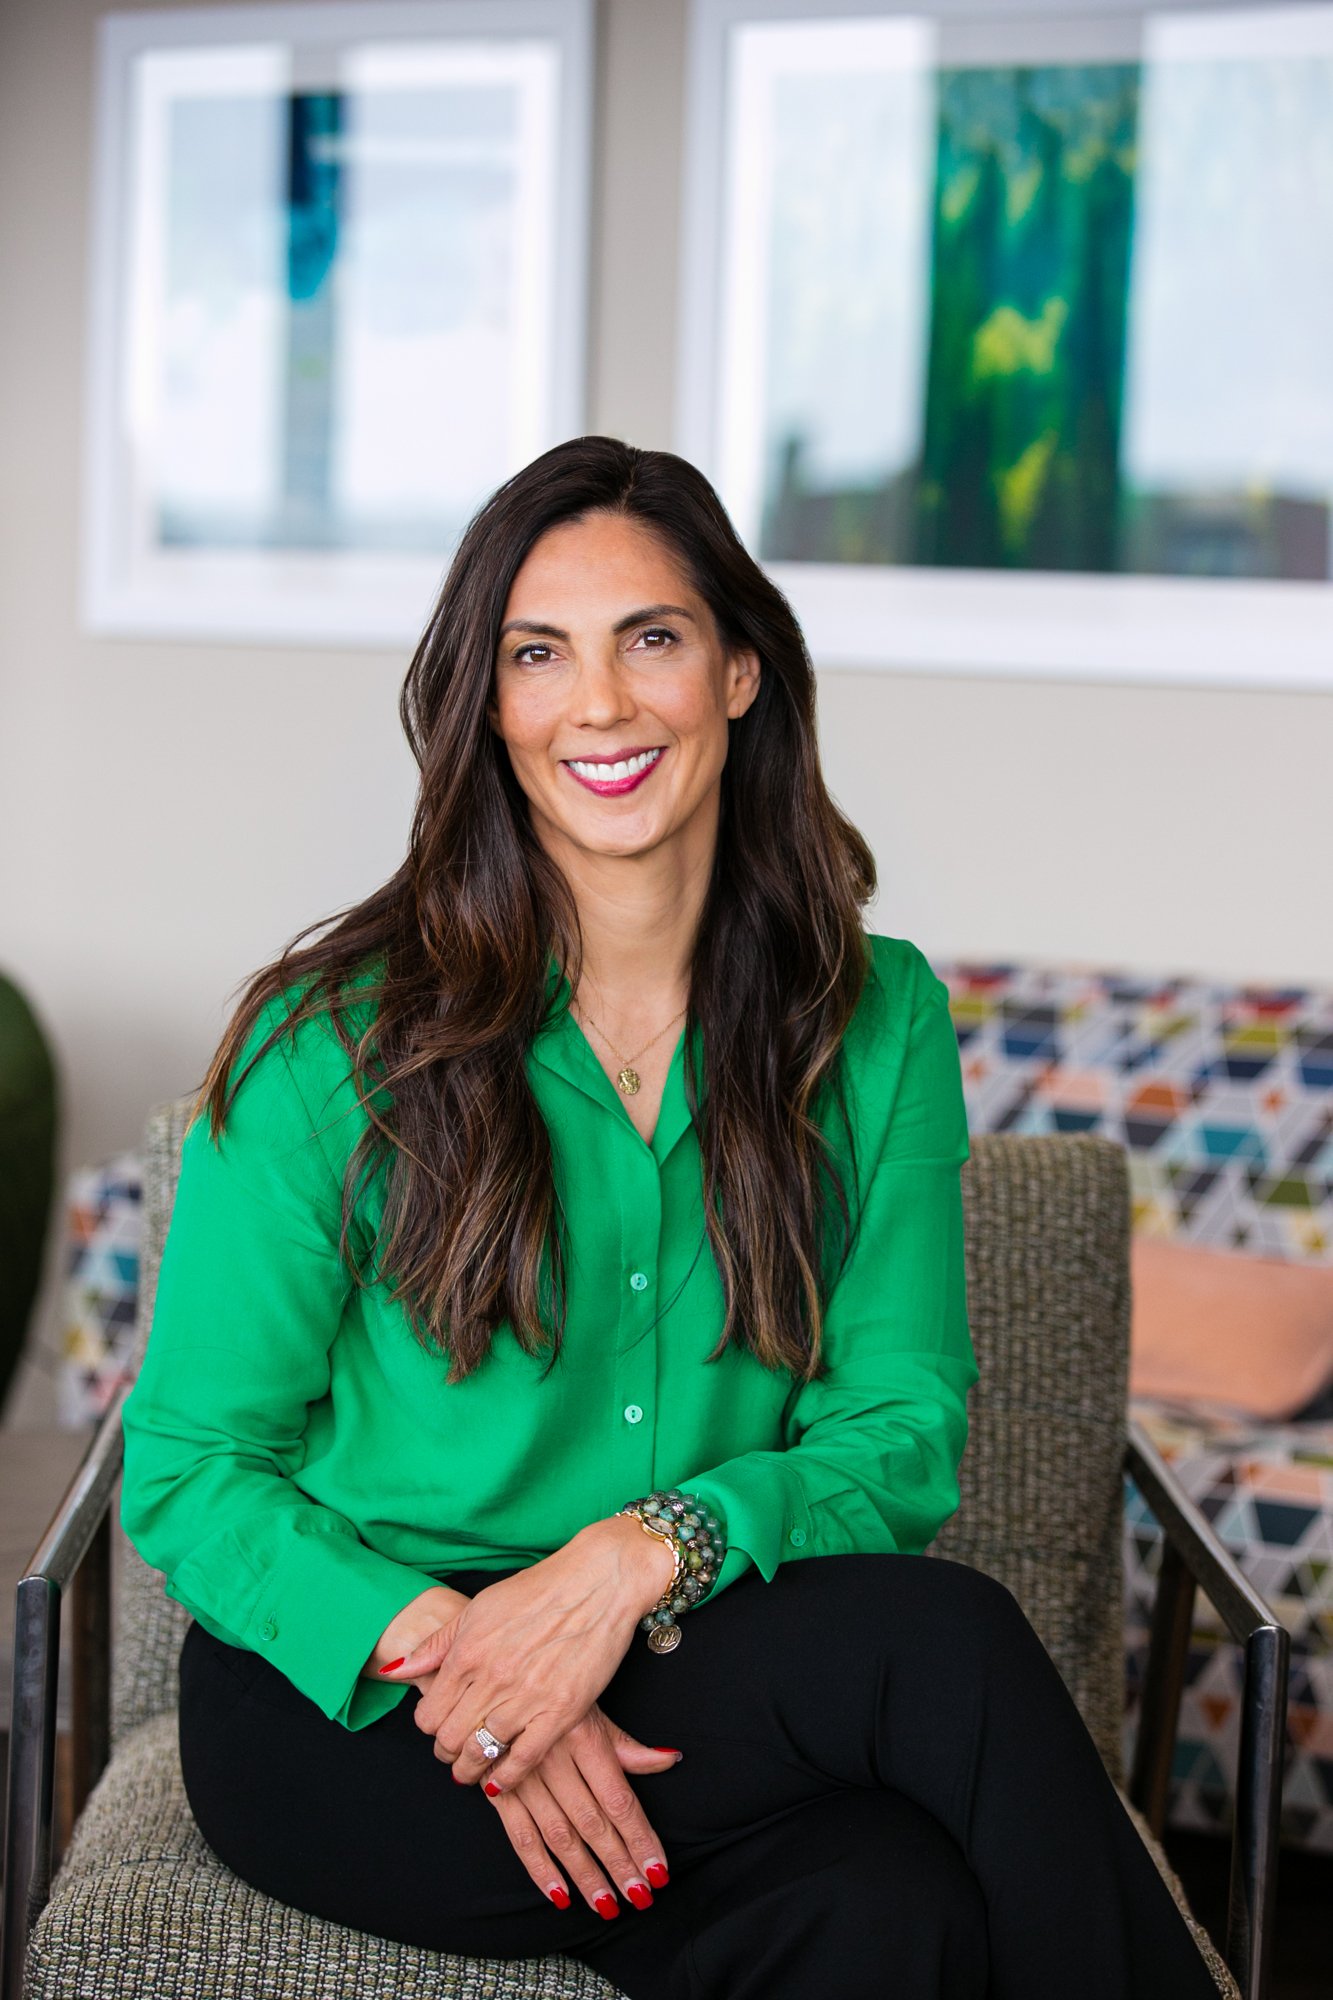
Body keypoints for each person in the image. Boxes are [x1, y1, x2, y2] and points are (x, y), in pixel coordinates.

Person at [120, 435, 1220, 1999]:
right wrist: (487, 1662)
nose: (602, 703)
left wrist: (640, 1557)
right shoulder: (328, 1038)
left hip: (689, 1657)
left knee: (886, 1904)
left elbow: (897, 1428)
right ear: (489, 708)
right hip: (349, 1707)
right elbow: (189, 1468)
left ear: (741, 672)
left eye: (652, 638)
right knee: (945, 1648)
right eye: (536, 654)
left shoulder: (874, 1019)